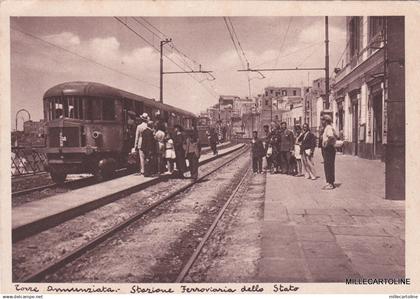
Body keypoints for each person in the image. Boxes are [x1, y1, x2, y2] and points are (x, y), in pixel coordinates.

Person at [321, 115, 338, 190]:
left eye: (323, 120)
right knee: (327, 165)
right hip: (329, 149)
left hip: (329, 149)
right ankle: (329, 182)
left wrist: (326, 143)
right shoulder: (327, 128)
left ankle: (330, 183)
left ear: (326, 121)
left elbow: (331, 137)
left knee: (329, 165)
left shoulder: (328, 128)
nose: (321, 122)